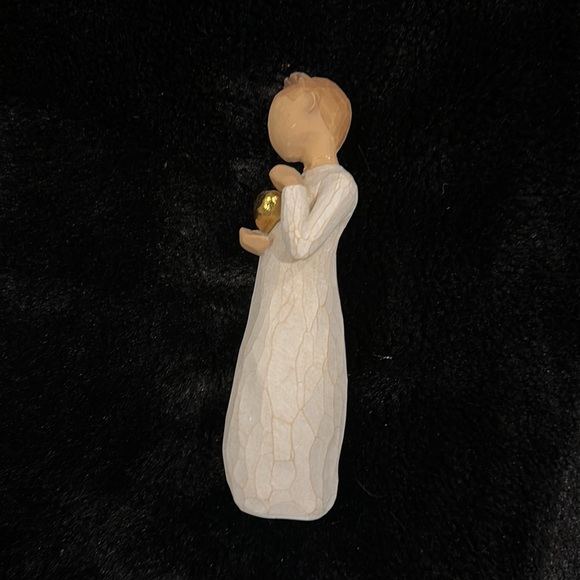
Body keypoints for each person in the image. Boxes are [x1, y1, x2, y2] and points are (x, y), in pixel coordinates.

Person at [223, 72, 358, 520]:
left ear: (313, 107)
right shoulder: (302, 182)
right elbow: (286, 240)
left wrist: (294, 188)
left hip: (306, 319)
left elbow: (303, 243)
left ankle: (301, 490)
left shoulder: (340, 186)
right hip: (273, 309)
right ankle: (253, 482)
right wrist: (263, 243)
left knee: (299, 392)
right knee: (262, 383)